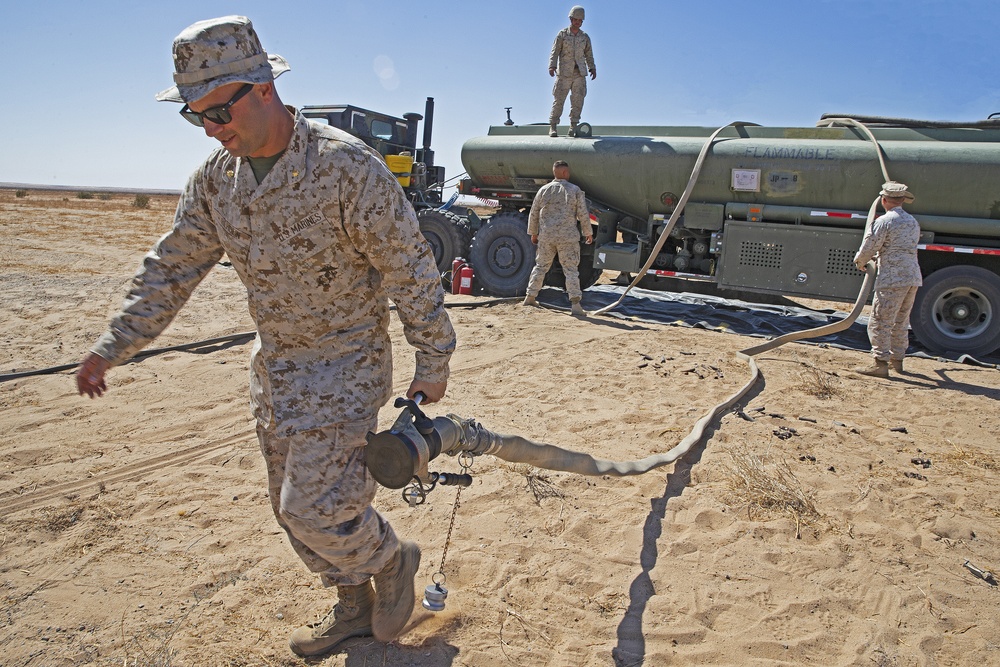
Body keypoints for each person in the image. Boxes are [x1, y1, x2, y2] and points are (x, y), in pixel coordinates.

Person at [74, 16, 456, 658]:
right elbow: (172, 268)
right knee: (290, 513)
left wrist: (433, 355)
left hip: (347, 365)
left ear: (262, 87)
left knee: (315, 507)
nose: (213, 130)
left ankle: (394, 560)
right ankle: (353, 605)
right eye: (196, 118)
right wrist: (115, 343)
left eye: (219, 112)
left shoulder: (345, 168)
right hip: (275, 371)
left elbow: (408, 264)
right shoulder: (216, 181)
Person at [852, 181, 922, 378]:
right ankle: (897, 361)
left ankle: (880, 364)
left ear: (884, 200)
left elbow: (869, 246)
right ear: (902, 201)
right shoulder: (912, 222)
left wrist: (860, 261)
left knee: (881, 320)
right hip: (912, 277)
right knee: (900, 320)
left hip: (892, 278)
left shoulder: (885, 221)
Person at [522, 161, 593, 315]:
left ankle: (530, 296)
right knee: (571, 270)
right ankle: (575, 305)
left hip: (547, 237)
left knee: (541, 266)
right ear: (565, 173)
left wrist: (534, 233)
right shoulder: (574, 190)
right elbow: (583, 214)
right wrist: (588, 232)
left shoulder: (544, 190)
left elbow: (534, 213)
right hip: (568, 238)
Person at [548, 5, 596, 138]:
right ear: (571, 19)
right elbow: (555, 51)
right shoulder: (562, 35)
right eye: (576, 20)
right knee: (559, 100)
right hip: (564, 73)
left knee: (578, 100)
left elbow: (589, 54)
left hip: (579, 73)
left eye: (580, 21)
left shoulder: (585, 37)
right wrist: (552, 66)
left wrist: (592, 68)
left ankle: (573, 126)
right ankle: (553, 126)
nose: (578, 22)